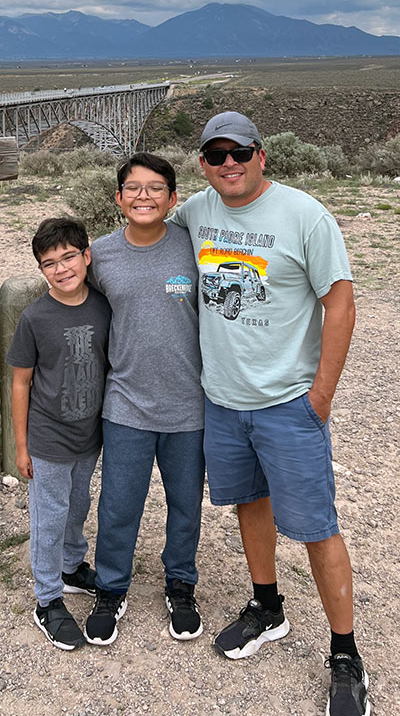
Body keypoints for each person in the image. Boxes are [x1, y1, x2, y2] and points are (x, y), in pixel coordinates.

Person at [171, 112, 369, 716]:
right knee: (248, 504)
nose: (229, 164)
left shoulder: (305, 215)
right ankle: (267, 606)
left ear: (263, 156)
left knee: (315, 525)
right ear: (202, 164)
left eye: (240, 152)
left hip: (289, 402)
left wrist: (322, 393)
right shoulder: (197, 212)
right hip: (223, 401)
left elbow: (339, 301)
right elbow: (147, 231)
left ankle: (344, 652)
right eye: (216, 154)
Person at [84, 151, 205, 647]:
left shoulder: (194, 247)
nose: (144, 197)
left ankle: (181, 583)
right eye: (133, 188)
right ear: (118, 198)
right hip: (126, 403)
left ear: (173, 198)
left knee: (185, 505)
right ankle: (111, 588)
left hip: (189, 405)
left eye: (156, 188)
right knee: (118, 504)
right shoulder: (101, 255)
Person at [6, 217, 111, 651]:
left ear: (86, 256)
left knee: (78, 505)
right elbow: (20, 382)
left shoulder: (103, 306)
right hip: (48, 439)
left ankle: (70, 568)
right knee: (48, 518)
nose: (62, 268)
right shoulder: (35, 317)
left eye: (69, 256)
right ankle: (47, 599)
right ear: (41, 270)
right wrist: (22, 445)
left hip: (89, 436)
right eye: (50, 263)